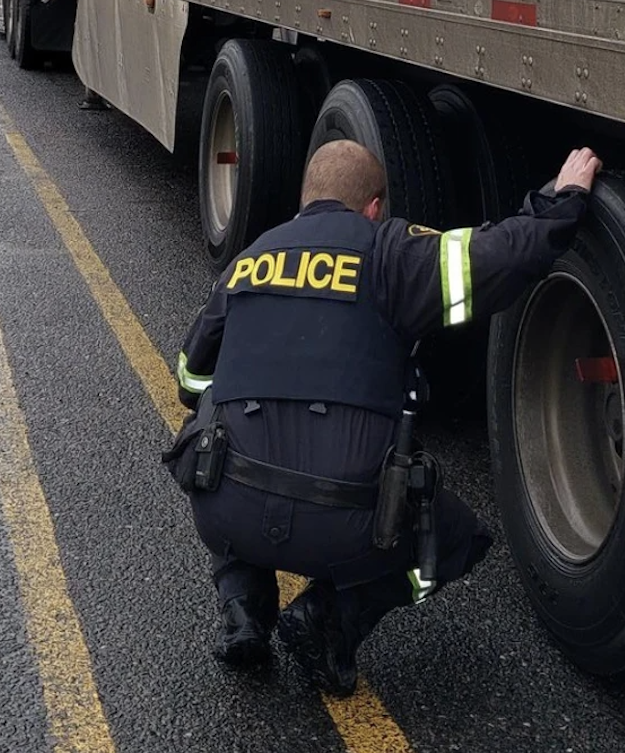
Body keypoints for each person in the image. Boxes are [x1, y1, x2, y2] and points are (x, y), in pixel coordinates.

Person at [171, 139, 602, 695]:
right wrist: (560, 201)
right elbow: (502, 256)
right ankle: (329, 616)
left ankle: (244, 611)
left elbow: (190, 378)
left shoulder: (249, 259)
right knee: (457, 543)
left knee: (217, 443)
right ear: (375, 206)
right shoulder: (391, 252)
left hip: (227, 512)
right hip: (347, 526)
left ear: (304, 200)